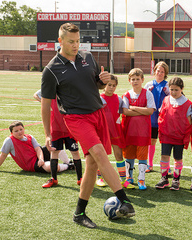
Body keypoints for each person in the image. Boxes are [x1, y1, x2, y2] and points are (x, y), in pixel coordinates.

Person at [41, 23, 135, 229]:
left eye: (77, 41)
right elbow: (46, 104)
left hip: (97, 113)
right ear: (60, 41)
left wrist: (103, 80)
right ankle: (125, 200)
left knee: (92, 164)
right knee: (100, 154)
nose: (76, 46)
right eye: (71, 42)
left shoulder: (88, 57)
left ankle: (79, 213)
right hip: (76, 119)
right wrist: (48, 134)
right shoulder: (51, 70)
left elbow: (98, 84)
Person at [33, 90, 82, 188]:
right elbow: (36, 95)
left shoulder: (68, 88)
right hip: (55, 127)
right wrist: (46, 104)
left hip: (69, 126)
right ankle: (53, 179)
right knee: (54, 152)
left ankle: (80, 179)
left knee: (75, 152)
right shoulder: (51, 88)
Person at [95, 75, 135, 189]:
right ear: (104, 86)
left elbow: (126, 111)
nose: (111, 88)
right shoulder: (99, 98)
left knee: (118, 155)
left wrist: (144, 112)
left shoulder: (119, 99)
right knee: (102, 155)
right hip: (102, 131)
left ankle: (123, 180)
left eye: (114, 85)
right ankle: (100, 178)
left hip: (116, 131)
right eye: (109, 85)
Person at [0, 121, 69, 173]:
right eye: (16, 131)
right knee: (50, 167)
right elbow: (3, 155)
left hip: (39, 158)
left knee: (54, 146)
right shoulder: (9, 141)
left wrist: (41, 159)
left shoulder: (29, 137)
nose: (19, 132)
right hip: (30, 164)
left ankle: (68, 162)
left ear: (24, 129)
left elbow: (38, 149)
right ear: (11, 133)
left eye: (21, 129)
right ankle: (68, 166)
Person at [154, 77, 192, 191]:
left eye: (176, 90)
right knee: (164, 156)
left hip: (179, 136)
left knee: (177, 158)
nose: (174, 92)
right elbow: (161, 115)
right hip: (166, 134)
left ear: (182, 89)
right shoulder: (166, 100)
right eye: (171, 90)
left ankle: (176, 179)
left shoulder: (187, 103)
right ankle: (164, 178)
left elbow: (189, 121)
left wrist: (185, 134)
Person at [122, 68, 155, 190]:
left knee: (142, 156)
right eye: (133, 79)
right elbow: (125, 112)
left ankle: (141, 179)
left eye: (138, 79)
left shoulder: (147, 94)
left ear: (142, 80)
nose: (135, 81)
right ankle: (128, 178)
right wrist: (142, 111)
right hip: (129, 131)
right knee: (129, 156)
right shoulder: (126, 94)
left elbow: (150, 111)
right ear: (129, 81)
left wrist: (133, 107)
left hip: (143, 131)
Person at [143, 61, 170, 173]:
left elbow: (173, 98)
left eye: (162, 72)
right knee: (152, 140)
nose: (160, 73)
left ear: (165, 73)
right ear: (154, 71)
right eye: (158, 71)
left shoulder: (167, 85)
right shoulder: (149, 85)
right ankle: (150, 164)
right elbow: (143, 98)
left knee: (165, 142)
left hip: (165, 118)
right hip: (152, 117)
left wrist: (167, 93)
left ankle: (166, 167)